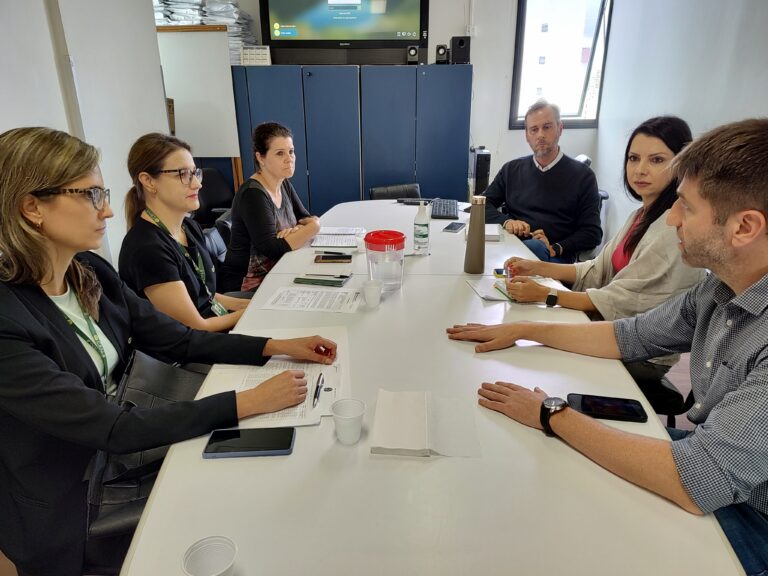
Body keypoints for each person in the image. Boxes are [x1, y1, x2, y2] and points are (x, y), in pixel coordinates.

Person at [0, 127, 337, 576]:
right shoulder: (8, 321)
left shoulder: (88, 271)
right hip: (75, 502)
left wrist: (275, 346)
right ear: (31, 208)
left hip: (125, 451)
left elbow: (179, 338)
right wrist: (250, 401)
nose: (105, 209)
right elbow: (112, 427)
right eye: (89, 194)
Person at [447, 118, 768, 575]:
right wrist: (525, 331)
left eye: (686, 207)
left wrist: (550, 413)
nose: (672, 218)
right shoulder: (718, 290)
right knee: (543, 470)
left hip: (752, 517)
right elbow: (629, 334)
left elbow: (697, 479)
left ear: (744, 227)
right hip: (715, 471)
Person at [503, 116, 706, 402]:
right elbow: (597, 269)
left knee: (536, 353)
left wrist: (547, 294)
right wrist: (538, 266)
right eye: (634, 158)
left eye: (657, 160)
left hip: (642, 355)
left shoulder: (671, 232)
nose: (640, 169)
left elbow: (618, 300)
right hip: (612, 329)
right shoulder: (642, 215)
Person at [119, 133, 249, 332]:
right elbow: (196, 327)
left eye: (195, 173)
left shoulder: (189, 227)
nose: (197, 184)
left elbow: (206, 295)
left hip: (213, 328)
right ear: (148, 181)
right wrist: (252, 311)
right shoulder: (147, 249)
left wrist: (250, 306)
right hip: (191, 350)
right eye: (183, 174)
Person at [484, 100, 602, 263]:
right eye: (534, 129)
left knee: (536, 248)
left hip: (556, 258)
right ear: (527, 135)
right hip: (514, 249)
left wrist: (556, 247)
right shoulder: (511, 170)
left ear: (560, 128)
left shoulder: (584, 176)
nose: (540, 135)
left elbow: (592, 233)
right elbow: (482, 205)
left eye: (547, 127)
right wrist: (507, 222)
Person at [220, 122, 320, 292]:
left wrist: (295, 230)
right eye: (280, 153)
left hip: (278, 271)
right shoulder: (253, 194)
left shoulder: (283, 183)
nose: (289, 159)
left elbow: (304, 217)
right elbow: (273, 249)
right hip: (248, 285)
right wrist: (314, 226)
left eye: (291, 151)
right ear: (260, 158)